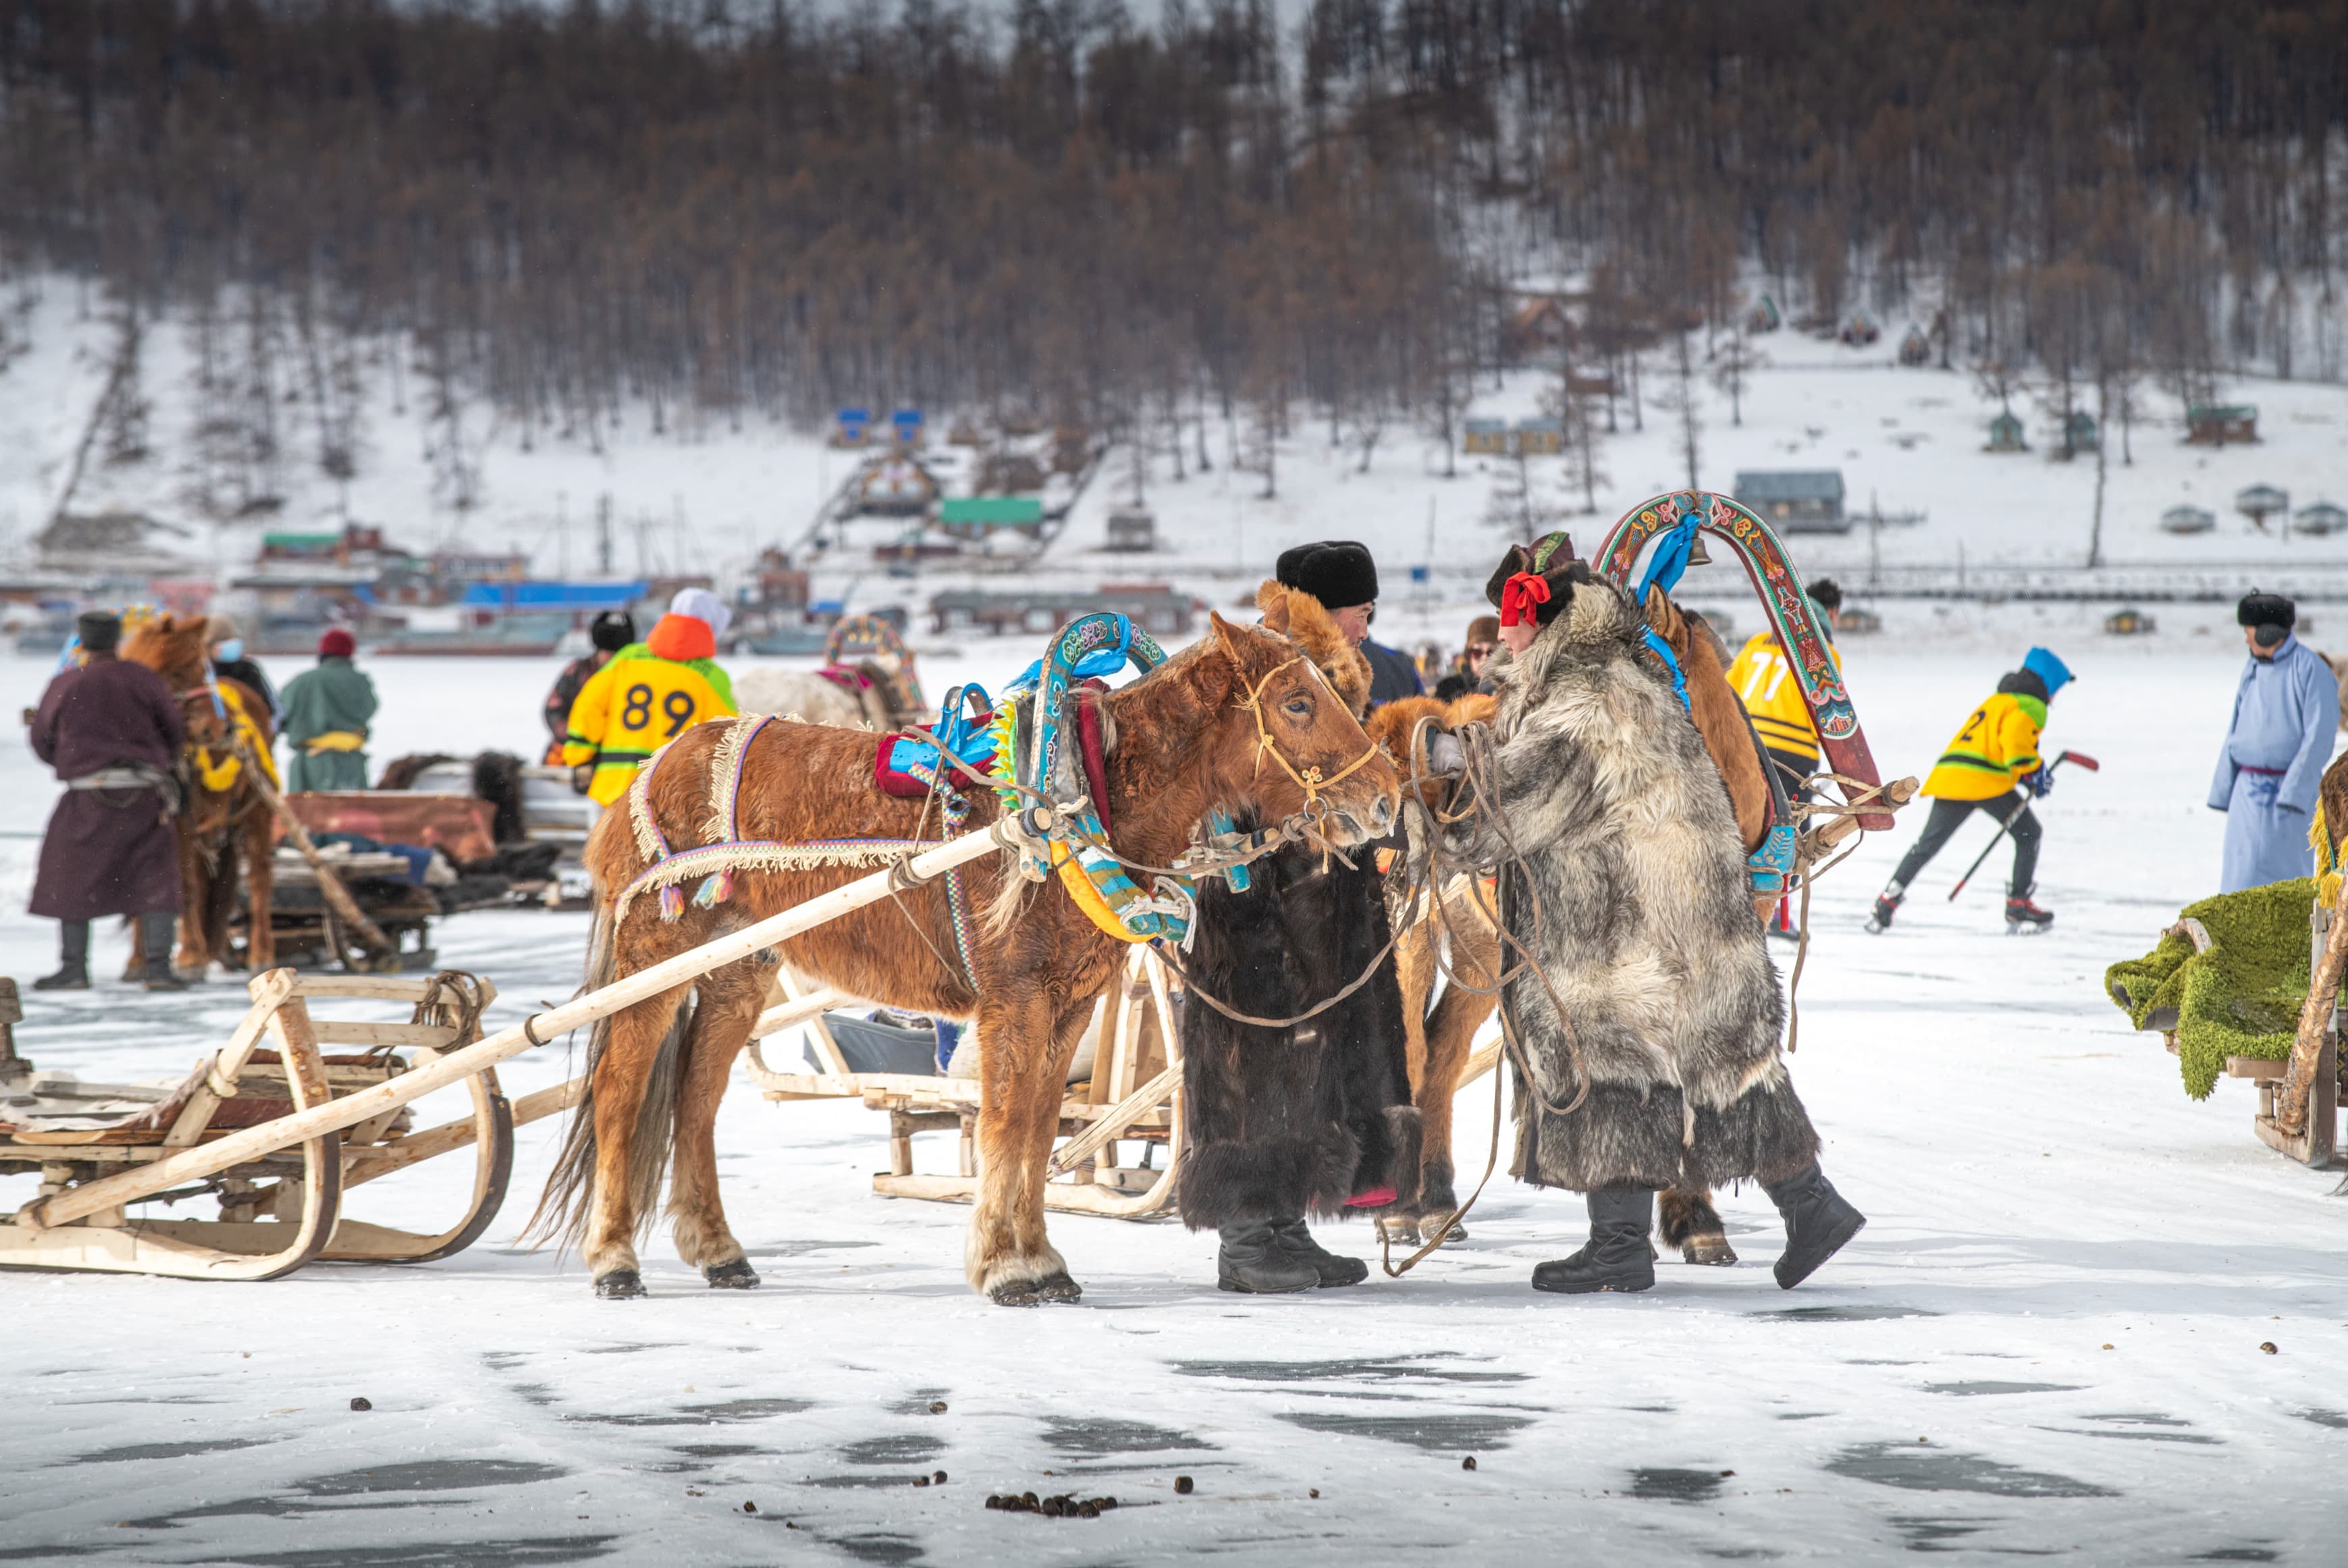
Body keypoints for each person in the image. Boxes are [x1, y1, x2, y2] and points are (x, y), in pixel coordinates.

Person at [1443, 539, 1865, 1295]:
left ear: (1541, 620)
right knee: (1728, 1069)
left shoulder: (1580, 700)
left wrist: (1431, 797)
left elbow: (1512, 807)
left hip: (1621, 924)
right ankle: (1812, 1207)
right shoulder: (1617, 674)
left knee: (1613, 1070)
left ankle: (1619, 1249)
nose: (1502, 635)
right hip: (1680, 915)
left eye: (1511, 619)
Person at [28, 610, 188, 992]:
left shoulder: (66, 682)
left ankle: (73, 969)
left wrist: (77, 763)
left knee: (70, 877)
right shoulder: (143, 679)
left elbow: (42, 739)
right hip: (145, 797)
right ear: (117, 641)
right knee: (153, 878)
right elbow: (175, 731)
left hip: (86, 799)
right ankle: (158, 968)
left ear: (82, 643)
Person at [1869, 647, 2072, 935]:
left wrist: (2028, 777)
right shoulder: (2031, 705)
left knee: (1927, 844)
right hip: (1984, 778)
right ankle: (2019, 903)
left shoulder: (1999, 700)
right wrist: (2036, 772)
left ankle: (1887, 900)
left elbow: (1997, 745)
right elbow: (2015, 745)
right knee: (2029, 833)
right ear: (2048, 682)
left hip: (1953, 775)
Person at [2210, 591, 2340, 892]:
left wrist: (2293, 793)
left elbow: (2318, 738)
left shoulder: (2310, 669)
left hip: (2285, 795)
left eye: (2249, 633)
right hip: (2246, 794)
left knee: (2283, 881)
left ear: (2267, 632)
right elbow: (2236, 728)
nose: (2247, 641)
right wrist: (2226, 786)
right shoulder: (2252, 668)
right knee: (2239, 880)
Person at [562, 587, 739, 805]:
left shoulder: (628, 657)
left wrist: (579, 759)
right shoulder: (713, 677)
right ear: (711, 630)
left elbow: (589, 707)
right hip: (673, 796)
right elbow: (724, 737)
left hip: (615, 787)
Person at [1726, 578, 1843, 799]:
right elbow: (1827, 716)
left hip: (1748, 747)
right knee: (1793, 820)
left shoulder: (1756, 644)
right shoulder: (1824, 653)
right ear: (1832, 613)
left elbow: (1729, 692)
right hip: (1792, 756)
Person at [1275, 540, 1422, 706]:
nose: (1364, 634)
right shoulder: (1288, 676)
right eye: (1360, 615)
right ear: (1324, 617)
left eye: (1367, 615)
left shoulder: (1288, 669)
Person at [278, 628, 379, 792]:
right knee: (354, 808)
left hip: (310, 765)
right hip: (352, 763)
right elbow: (370, 709)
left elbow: (280, 717)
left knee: (305, 808)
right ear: (350, 653)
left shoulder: (302, 682)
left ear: (322, 652)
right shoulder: (361, 682)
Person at [541, 610, 637, 765]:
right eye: (607, 652)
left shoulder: (634, 677)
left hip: (617, 757)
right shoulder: (578, 671)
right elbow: (553, 710)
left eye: (617, 653)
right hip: (571, 753)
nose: (611, 658)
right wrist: (580, 739)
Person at [207, 618, 277, 719]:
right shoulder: (203, 675)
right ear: (209, 647)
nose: (231, 646)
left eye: (232, 640)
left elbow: (272, 709)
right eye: (224, 641)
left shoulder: (249, 670)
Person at [1433, 614, 1501, 701]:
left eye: (1492, 652)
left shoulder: (1512, 689)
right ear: (1468, 655)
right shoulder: (1449, 690)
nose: (1484, 659)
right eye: (1477, 652)